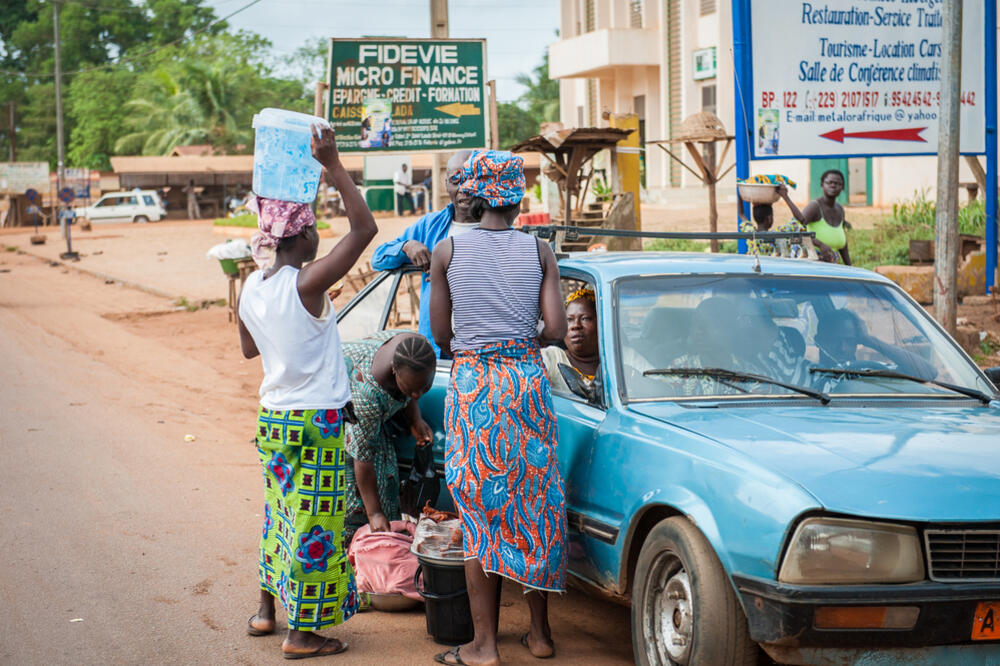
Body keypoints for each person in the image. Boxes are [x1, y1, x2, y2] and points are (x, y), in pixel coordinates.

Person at [237, 126, 377, 659]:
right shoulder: (305, 283)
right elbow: (365, 228)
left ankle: (265, 612)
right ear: (300, 239)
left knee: (279, 513)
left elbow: (248, 349)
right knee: (315, 523)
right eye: (314, 227)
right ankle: (301, 635)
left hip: (273, 419)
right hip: (314, 420)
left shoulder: (253, 287)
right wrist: (333, 165)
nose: (320, 234)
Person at [429, 150, 568, 666]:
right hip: (527, 386)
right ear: (516, 199)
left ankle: (484, 646)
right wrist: (520, 339)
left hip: (474, 389)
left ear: (476, 196)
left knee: (480, 513)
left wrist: (479, 344)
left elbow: (440, 334)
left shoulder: (447, 251)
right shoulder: (540, 251)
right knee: (534, 506)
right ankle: (540, 634)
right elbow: (556, 329)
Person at [371, 150, 476, 357]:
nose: (464, 188)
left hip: (483, 350)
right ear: (446, 184)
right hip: (437, 354)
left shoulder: (500, 230)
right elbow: (378, 259)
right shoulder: (430, 227)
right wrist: (406, 246)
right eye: (456, 180)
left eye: (472, 179)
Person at [342, 331, 436, 546]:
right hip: (343, 417)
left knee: (388, 487)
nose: (417, 395)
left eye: (424, 387)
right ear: (394, 371)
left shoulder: (416, 352)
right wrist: (374, 513)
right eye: (410, 389)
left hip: (372, 418)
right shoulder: (368, 392)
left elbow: (411, 391)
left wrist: (416, 420)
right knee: (357, 505)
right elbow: (362, 457)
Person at [542, 287, 599, 392]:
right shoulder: (553, 358)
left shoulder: (619, 360)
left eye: (585, 318)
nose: (575, 325)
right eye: (569, 320)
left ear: (601, 323)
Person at [793, 169, 852, 265]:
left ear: (842, 187)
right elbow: (796, 231)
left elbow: (842, 243)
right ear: (822, 185)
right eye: (829, 182)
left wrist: (849, 266)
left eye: (838, 183)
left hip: (832, 262)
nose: (833, 185)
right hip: (811, 261)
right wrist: (820, 245)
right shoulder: (814, 206)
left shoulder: (840, 209)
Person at [739, 184, 809, 258]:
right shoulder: (778, 234)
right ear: (769, 218)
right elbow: (801, 220)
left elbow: (741, 214)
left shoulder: (751, 235)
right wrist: (785, 197)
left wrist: (740, 192)